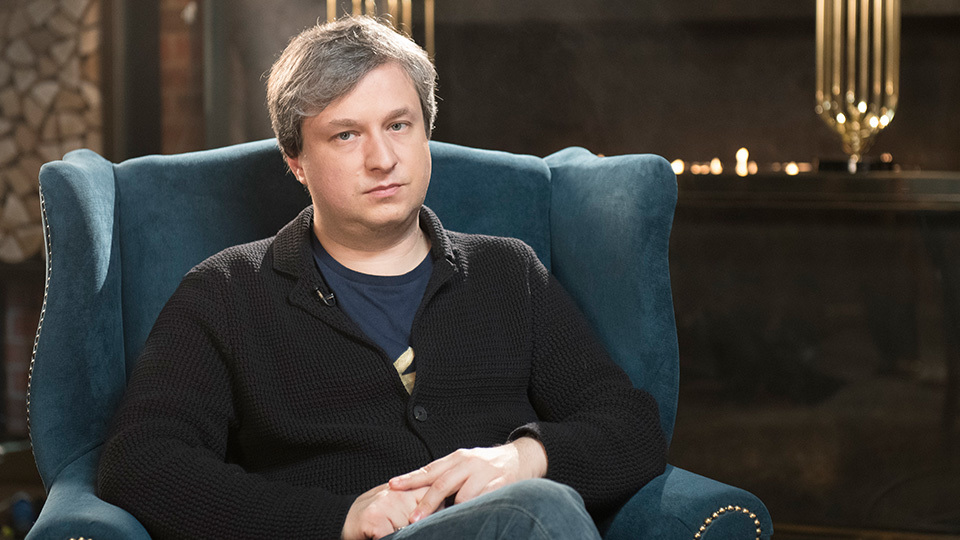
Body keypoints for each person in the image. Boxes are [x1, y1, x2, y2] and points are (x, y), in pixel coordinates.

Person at [97, 16, 666, 540]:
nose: (383, 159)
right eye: (346, 135)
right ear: (296, 160)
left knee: (538, 506)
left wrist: (523, 458)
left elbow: (632, 427)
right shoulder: (226, 292)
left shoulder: (507, 272)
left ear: (426, 134)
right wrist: (337, 518)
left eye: (398, 125)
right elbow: (139, 463)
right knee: (541, 510)